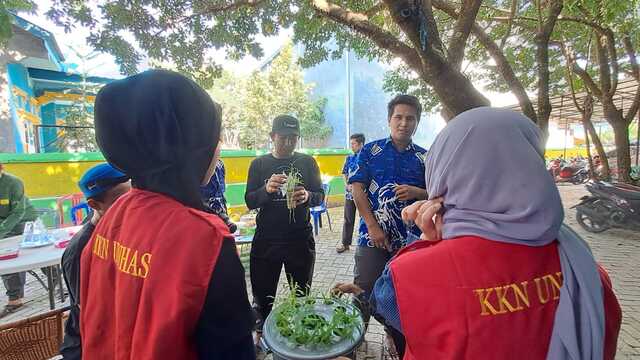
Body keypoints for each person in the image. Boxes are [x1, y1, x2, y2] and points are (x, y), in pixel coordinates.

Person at [368, 107, 621, 359]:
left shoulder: (410, 275)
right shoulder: (588, 274)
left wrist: (425, 242)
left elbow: (385, 305)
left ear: (444, 168)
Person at [80, 70, 255, 359]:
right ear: (194, 148)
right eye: (214, 136)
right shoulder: (205, 239)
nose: (219, 146)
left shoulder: (116, 214)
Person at [348, 95, 427, 328]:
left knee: (403, 294)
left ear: (417, 122)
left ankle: (395, 336)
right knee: (362, 291)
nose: (404, 123)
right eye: (398, 117)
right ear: (389, 119)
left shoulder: (425, 157)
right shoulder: (371, 151)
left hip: (410, 242)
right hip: (372, 238)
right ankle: (352, 343)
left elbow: (438, 193)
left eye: (410, 118)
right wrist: (372, 226)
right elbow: (357, 188)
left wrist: (417, 192)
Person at [245, 115, 324, 338]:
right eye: (284, 138)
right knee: (262, 296)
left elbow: (320, 197)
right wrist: (266, 190)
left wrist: (308, 195)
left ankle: (302, 338)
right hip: (266, 241)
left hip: (299, 240)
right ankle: (260, 338)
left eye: (294, 138)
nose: (289, 143)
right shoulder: (259, 164)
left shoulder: (307, 162)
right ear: (272, 136)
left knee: (301, 294)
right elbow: (250, 201)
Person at [59, 163, 131, 359]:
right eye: (120, 200)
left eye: (132, 196)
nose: (130, 204)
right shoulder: (80, 250)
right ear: (94, 205)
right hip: (88, 345)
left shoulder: (127, 229)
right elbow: (93, 314)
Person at [0, 162, 38, 318]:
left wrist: (1, 231)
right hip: (4, 225)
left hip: (24, 222)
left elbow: (18, 213)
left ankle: (55, 281)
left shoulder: (13, 183)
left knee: (10, 254)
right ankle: (15, 297)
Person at [336, 133, 365, 254]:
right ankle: (345, 243)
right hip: (349, 194)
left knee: (365, 218)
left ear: (361, 144)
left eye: (353, 144)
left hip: (364, 195)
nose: (351, 146)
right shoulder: (349, 158)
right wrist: (346, 184)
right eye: (351, 143)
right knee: (348, 219)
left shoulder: (367, 158)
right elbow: (344, 173)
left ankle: (364, 244)